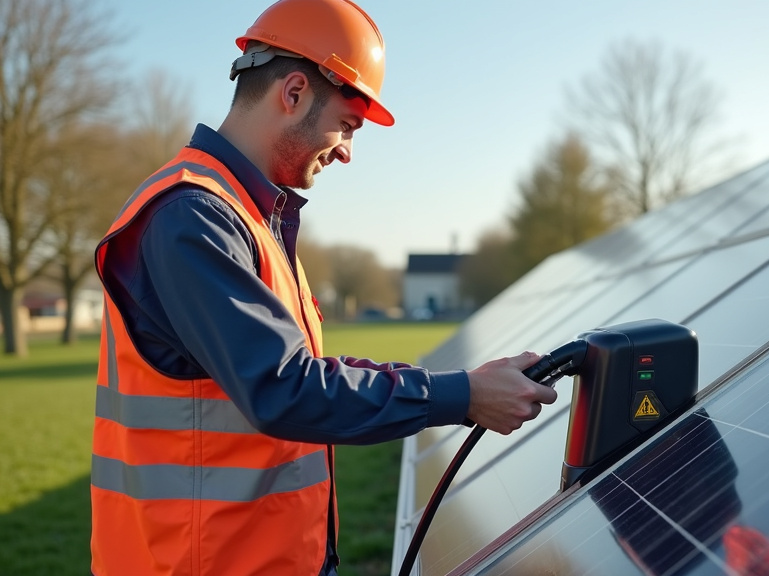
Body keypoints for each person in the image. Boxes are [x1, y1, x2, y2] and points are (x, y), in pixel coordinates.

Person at [89, 1, 557, 574]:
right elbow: (285, 389)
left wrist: (465, 386)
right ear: (293, 93)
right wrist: (461, 397)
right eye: (348, 125)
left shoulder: (246, 216)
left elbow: (303, 371)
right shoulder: (193, 216)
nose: (347, 152)